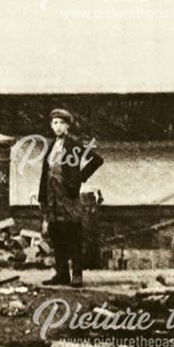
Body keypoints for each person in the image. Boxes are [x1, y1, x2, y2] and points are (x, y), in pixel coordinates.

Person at [37, 108, 104, 287]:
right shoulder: (51, 146)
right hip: (52, 198)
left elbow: (97, 160)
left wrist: (80, 177)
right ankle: (61, 274)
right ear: (51, 126)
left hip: (68, 197)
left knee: (73, 234)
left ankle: (77, 275)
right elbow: (46, 173)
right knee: (56, 234)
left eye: (61, 123)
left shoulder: (73, 145)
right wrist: (42, 195)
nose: (58, 127)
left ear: (67, 126)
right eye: (55, 123)